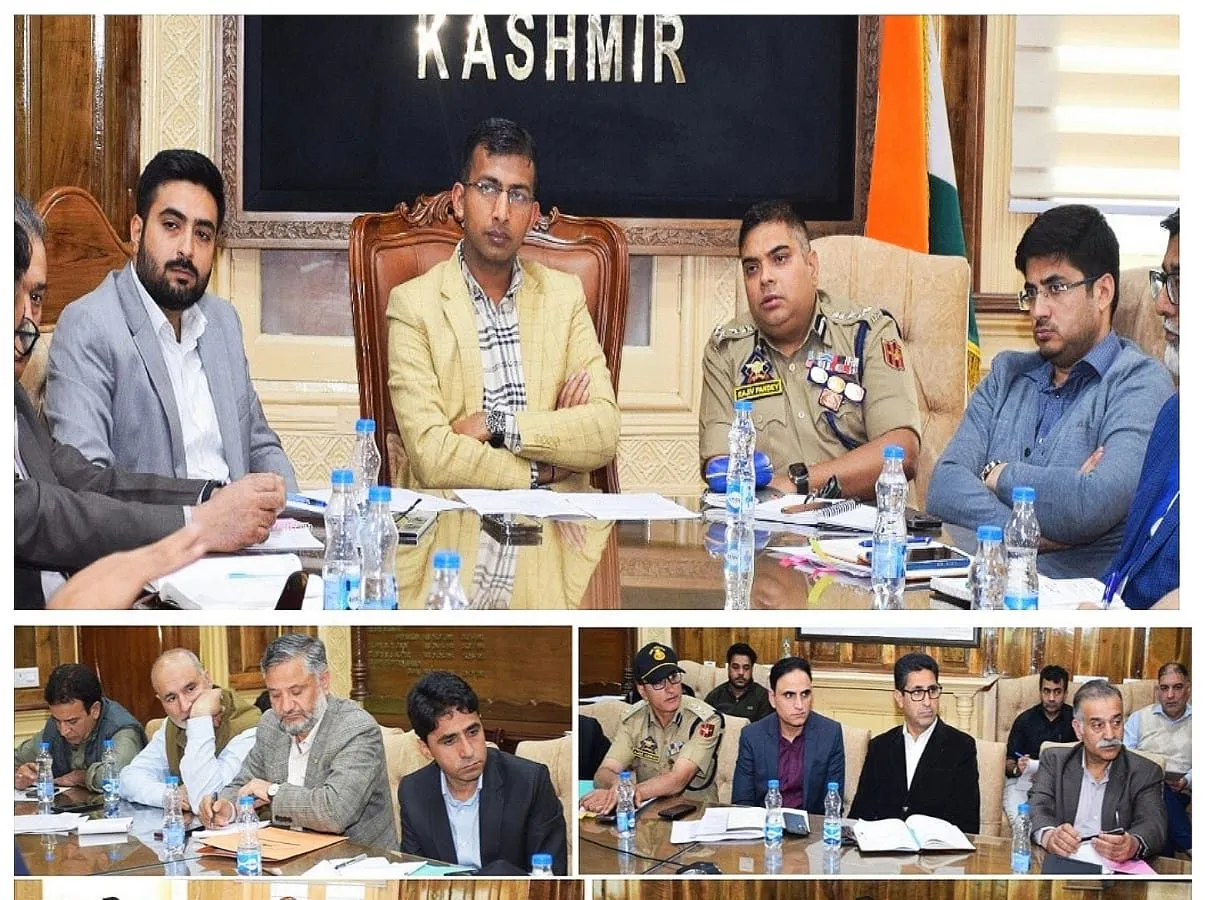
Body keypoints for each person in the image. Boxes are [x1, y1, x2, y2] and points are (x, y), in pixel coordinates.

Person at [14, 197, 285, 609]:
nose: (25, 321)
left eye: (35, 297)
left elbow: (88, 480)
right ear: (137, 230)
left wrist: (209, 497)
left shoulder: (14, 398)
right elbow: (43, 515)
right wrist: (195, 526)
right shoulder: (94, 323)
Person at [927, 204, 1174, 578]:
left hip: (1065, 599)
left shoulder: (1138, 383)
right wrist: (1025, 529)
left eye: (1056, 288)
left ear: (1102, 291)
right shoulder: (1006, 374)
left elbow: (1092, 503)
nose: (1038, 310)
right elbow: (943, 486)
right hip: (965, 581)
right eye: (1032, 292)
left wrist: (998, 474)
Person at [386, 117, 619, 489]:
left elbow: (603, 432)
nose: (501, 211)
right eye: (487, 188)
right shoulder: (413, 307)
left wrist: (494, 424)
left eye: (518, 195)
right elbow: (432, 457)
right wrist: (542, 468)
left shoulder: (564, 297)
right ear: (459, 201)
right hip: (454, 517)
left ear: (533, 214)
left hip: (555, 519)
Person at [44, 149, 297, 489]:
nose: (187, 249)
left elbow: (260, 445)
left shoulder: (223, 322)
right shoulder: (88, 326)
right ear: (137, 231)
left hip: (244, 521)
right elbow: (88, 484)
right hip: (163, 523)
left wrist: (295, 509)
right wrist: (207, 507)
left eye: (203, 234)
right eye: (171, 226)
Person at [698, 200, 922, 500]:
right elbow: (718, 466)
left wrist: (797, 483)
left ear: (812, 266)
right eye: (752, 268)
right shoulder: (726, 351)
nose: (765, 278)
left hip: (857, 524)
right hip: (766, 524)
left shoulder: (867, 334)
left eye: (780, 259)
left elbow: (902, 451)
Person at [199, 634, 396, 850]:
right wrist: (227, 807)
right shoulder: (272, 724)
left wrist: (273, 792)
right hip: (285, 854)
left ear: (323, 681)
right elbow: (245, 782)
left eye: (296, 692)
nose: (285, 707)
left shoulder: (356, 728)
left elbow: (335, 813)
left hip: (355, 860)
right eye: (275, 695)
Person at [399, 672, 567, 875]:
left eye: (473, 732)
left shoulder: (530, 783)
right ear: (425, 749)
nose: (468, 751)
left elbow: (552, 878)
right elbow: (414, 873)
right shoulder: (413, 792)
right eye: (449, 741)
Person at [1100, 208, 1179, 609]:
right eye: (1164, 281)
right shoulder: (1173, 416)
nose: (1162, 304)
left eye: (1179, 283)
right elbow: (1127, 562)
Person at [1029, 679, 1166, 861]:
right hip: (1063, 862)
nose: (1110, 735)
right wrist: (1049, 836)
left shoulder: (1145, 772)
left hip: (1113, 868)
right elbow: (1037, 806)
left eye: (1116, 722)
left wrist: (1133, 844)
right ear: (1078, 729)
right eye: (1098, 725)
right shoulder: (1055, 761)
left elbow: (1153, 824)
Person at [580, 642, 722, 813]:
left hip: (697, 815)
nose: (670, 689)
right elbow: (604, 772)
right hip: (648, 817)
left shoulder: (705, 720)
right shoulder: (633, 720)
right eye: (658, 683)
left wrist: (629, 792)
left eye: (673, 677)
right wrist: (619, 784)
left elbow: (677, 780)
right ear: (642, 691)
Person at [849, 653, 979, 833]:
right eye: (917, 692)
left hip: (937, 848)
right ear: (899, 698)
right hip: (885, 847)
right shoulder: (880, 747)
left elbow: (968, 825)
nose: (927, 702)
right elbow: (860, 815)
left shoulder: (961, 747)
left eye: (932, 690)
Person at [118, 648, 260, 809]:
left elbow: (205, 800)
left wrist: (200, 717)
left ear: (207, 679)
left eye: (190, 689)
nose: (185, 706)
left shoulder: (249, 727)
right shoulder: (172, 726)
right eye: (171, 698)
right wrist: (171, 795)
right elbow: (128, 779)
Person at [732, 656, 844, 813]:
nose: (799, 705)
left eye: (805, 694)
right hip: (764, 824)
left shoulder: (830, 734)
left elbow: (832, 804)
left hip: (811, 826)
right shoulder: (752, 736)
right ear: (772, 698)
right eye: (789, 695)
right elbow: (742, 803)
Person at [14, 664, 146, 791]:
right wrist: (19, 775)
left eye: (72, 721)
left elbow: (118, 775)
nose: (63, 731)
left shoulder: (123, 730)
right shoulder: (55, 727)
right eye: (57, 721)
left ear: (95, 710)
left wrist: (81, 777)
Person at [1124, 662, 1191, 856]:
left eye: (1177, 687)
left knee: (1161, 804)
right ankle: (1189, 844)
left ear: (1188, 689)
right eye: (1164, 688)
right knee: (1156, 787)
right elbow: (1125, 757)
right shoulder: (1139, 718)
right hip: (1141, 787)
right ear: (1157, 691)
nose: (1170, 695)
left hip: (1180, 790)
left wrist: (1187, 780)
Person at [1003, 665, 1076, 819]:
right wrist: (1017, 768)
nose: (1051, 698)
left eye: (1057, 692)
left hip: (1062, 786)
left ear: (1065, 693)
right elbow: (1008, 762)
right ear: (1040, 692)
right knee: (1021, 819)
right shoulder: (1025, 720)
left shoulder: (1075, 720)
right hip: (1025, 783)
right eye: (1046, 691)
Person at [703, 642, 772, 722]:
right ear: (728, 668)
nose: (741, 673)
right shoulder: (714, 696)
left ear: (752, 669)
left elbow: (766, 727)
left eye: (746, 668)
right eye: (735, 667)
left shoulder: (763, 697)